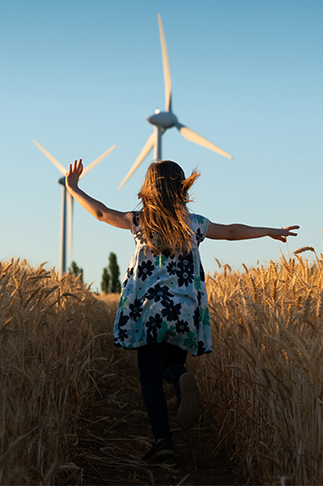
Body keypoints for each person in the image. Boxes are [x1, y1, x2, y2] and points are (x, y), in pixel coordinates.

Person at [65, 159, 299, 462]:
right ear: (182, 187)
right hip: (186, 311)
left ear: (149, 188)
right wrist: (269, 230)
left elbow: (101, 213)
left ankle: (163, 440)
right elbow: (229, 231)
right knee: (170, 365)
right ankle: (178, 375)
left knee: (149, 376)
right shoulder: (194, 223)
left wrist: (74, 187)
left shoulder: (140, 221)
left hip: (150, 311)